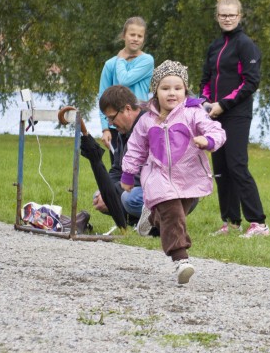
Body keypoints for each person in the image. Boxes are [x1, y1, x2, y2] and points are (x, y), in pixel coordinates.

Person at [121, 61, 226, 284]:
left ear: (185, 90)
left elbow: (215, 130)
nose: (172, 93)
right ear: (155, 91)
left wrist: (207, 141)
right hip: (157, 175)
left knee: (175, 213)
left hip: (189, 175)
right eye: (165, 88)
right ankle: (181, 260)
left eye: (177, 88)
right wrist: (128, 174)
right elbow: (136, 148)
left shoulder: (193, 113)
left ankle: (152, 216)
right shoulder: (147, 121)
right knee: (173, 214)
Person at [200, 0, 270, 238]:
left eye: (232, 15)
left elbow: (250, 82)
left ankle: (258, 223)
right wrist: (206, 101)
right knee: (220, 169)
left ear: (239, 15)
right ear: (217, 16)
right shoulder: (215, 46)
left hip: (236, 114)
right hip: (214, 114)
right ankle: (230, 222)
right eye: (223, 15)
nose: (227, 18)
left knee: (237, 166)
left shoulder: (246, 45)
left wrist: (223, 105)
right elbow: (206, 79)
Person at [78, 85, 148, 229]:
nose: (110, 124)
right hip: (140, 188)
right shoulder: (123, 132)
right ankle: (138, 223)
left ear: (127, 109)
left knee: (129, 198)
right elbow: (117, 169)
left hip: (169, 189)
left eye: (111, 118)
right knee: (101, 195)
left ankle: (159, 224)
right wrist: (106, 191)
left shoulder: (148, 127)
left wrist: (113, 193)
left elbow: (142, 175)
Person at [98, 16, 154, 151]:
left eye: (139, 36)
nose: (135, 38)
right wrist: (105, 128)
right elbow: (102, 96)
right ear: (124, 35)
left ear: (143, 39)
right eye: (132, 34)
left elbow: (125, 80)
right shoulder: (110, 64)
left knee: (139, 166)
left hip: (139, 122)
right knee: (118, 166)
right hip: (115, 124)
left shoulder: (146, 61)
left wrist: (121, 59)